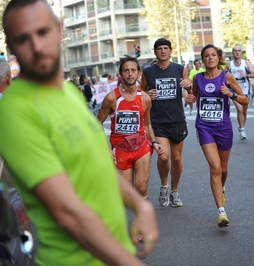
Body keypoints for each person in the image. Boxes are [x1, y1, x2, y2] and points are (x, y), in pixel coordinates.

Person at [0, 0, 158, 264]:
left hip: (110, 252)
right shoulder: (14, 112)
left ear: (59, 30)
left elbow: (98, 166)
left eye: (42, 32)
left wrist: (139, 204)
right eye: (23, 39)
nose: (37, 47)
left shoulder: (69, 93)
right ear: (11, 48)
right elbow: (66, 212)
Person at [186, 44, 248, 228]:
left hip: (224, 127)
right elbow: (193, 98)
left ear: (218, 58)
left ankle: (221, 187)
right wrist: (189, 98)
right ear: (202, 60)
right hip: (204, 126)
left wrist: (231, 94)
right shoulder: (197, 78)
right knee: (214, 167)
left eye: (213, 55)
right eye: (206, 56)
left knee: (223, 168)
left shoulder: (226, 76)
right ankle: (221, 211)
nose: (210, 58)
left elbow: (245, 99)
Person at [97, 55, 164, 199]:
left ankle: (141, 221)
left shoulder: (145, 98)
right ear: (121, 74)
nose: (130, 73)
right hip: (120, 149)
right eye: (126, 71)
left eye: (133, 70)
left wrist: (154, 142)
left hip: (141, 147)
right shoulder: (111, 98)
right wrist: (105, 148)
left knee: (141, 188)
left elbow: (147, 124)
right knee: (128, 193)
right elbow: (97, 124)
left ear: (139, 73)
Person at [141, 38, 192, 208]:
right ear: (155, 52)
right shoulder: (148, 71)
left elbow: (190, 94)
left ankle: (175, 191)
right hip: (158, 121)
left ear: (170, 51)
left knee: (177, 159)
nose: (163, 51)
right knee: (164, 157)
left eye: (166, 48)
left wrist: (189, 86)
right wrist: (148, 94)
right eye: (159, 49)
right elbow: (140, 93)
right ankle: (164, 185)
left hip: (177, 119)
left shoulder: (179, 69)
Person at [228, 45, 254, 139]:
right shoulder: (229, 64)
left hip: (245, 90)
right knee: (239, 109)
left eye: (239, 50)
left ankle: (241, 126)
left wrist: (246, 75)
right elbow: (223, 75)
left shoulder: (246, 63)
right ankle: (243, 130)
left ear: (241, 52)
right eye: (235, 51)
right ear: (232, 52)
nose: (237, 52)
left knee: (244, 110)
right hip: (234, 91)